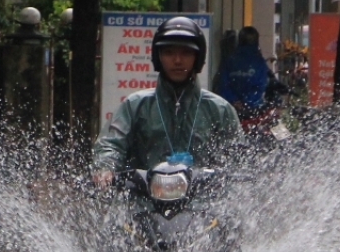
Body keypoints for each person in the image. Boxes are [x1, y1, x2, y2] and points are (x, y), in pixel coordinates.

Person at [92, 17, 241, 188]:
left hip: (204, 204)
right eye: (169, 53)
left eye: (186, 52)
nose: (177, 60)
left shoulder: (219, 109)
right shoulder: (135, 105)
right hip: (144, 203)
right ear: (158, 57)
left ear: (197, 58)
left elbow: (237, 155)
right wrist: (106, 168)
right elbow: (111, 143)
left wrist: (230, 178)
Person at [215, 26, 271, 125]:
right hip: (252, 110)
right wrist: (247, 102)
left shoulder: (230, 60)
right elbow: (260, 86)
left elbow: (223, 84)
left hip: (231, 108)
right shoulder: (259, 61)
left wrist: (234, 100)